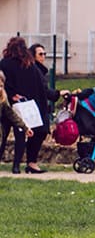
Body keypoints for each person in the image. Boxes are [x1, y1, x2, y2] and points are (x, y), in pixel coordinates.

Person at [0, 37, 64, 173]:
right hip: (24, 106)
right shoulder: (29, 65)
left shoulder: (4, 64)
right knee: (20, 135)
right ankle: (16, 166)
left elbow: (3, 81)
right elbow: (41, 88)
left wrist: (11, 94)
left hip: (6, 105)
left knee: (3, 135)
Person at [0, 70, 33, 166]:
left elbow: (11, 114)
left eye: (1, 86)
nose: (0, 88)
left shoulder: (3, 98)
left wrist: (25, 127)